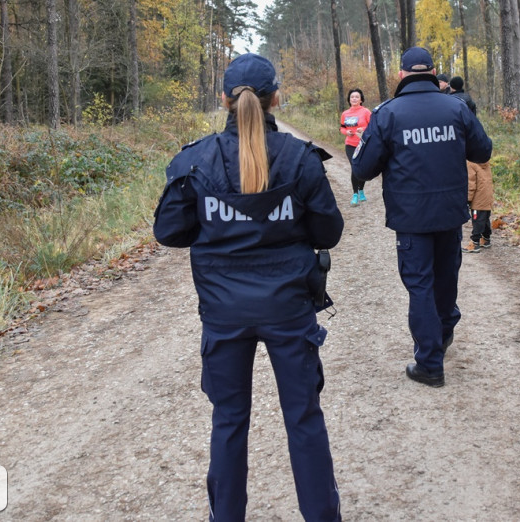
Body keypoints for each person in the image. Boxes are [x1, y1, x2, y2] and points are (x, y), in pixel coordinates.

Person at [153, 53, 344, 520]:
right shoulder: (300, 159)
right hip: (289, 309)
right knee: (303, 419)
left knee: (229, 421)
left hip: (224, 313)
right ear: (276, 97)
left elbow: (170, 232)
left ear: (223, 99)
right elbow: (328, 232)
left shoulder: (194, 160)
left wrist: (220, 224)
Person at [351, 46, 492, 387]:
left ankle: (430, 362)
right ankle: (441, 333)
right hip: (448, 213)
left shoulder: (389, 113)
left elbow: (362, 167)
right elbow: (483, 149)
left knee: (420, 285)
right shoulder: (456, 108)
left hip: (411, 218)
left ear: (401, 75)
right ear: (432, 72)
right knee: (445, 278)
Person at [339, 88, 372, 206]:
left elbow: (373, 126)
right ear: (349, 99)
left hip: (363, 143)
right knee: (354, 166)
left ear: (361, 99)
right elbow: (342, 127)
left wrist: (362, 129)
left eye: (357, 97)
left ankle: (361, 190)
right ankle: (355, 194)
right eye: (352, 97)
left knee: (362, 168)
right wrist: (345, 132)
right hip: (350, 144)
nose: (354, 99)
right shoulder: (345, 114)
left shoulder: (366, 112)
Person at [463, 159, 493, 252]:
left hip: (478, 198)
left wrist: (468, 199)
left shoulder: (471, 164)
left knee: (477, 220)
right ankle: (486, 239)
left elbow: (471, 184)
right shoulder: (486, 162)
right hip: (487, 196)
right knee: (484, 219)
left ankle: (475, 243)